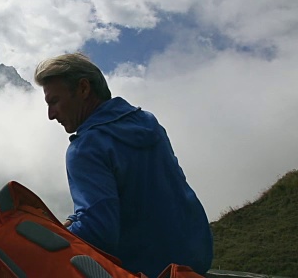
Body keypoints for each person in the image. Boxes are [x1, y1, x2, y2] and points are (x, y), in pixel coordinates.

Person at [34, 53, 213, 277]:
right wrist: (72, 221)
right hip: (195, 259)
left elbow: (100, 233)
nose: (51, 115)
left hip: (150, 270)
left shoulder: (86, 148)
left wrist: (43, 235)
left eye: (54, 102)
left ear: (83, 89)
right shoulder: (148, 122)